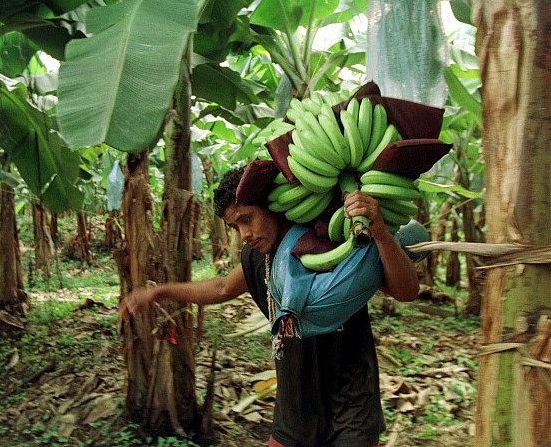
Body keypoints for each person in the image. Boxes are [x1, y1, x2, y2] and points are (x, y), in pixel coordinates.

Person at [120, 165, 420, 447]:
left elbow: (405, 291)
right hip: (294, 412)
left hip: (351, 408)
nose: (244, 235)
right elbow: (223, 287)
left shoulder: (332, 242)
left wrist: (379, 231)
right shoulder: (256, 258)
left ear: (271, 207)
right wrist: (159, 292)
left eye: (247, 219)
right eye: (234, 226)